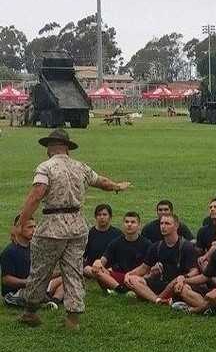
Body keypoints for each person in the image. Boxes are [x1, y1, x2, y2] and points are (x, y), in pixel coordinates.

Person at [14, 129, 131, 330]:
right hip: (77, 226)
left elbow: (37, 194)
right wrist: (117, 186)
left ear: (50, 147)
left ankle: (30, 311)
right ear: (67, 148)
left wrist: (21, 223)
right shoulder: (80, 167)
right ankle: (73, 319)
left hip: (52, 225)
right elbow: (101, 181)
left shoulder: (46, 167)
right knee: (74, 270)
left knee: (41, 269)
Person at [124, 214, 198, 304]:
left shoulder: (187, 246)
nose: (163, 226)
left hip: (180, 284)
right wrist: (129, 274)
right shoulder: (156, 246)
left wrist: (184, 278)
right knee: (134, 280)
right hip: (162, 283)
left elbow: (195, 271)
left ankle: (155, 297)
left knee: (181, 287)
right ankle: (158, 300)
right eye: (161, 223)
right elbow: (144, 268)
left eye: (167, 223)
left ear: (176, 226)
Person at [90, 211, 151, 294]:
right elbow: (103, 260)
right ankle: (120, 290)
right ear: (123, 225)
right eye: (126, 222)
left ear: (139, 225)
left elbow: (150, 267)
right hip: (119, 275)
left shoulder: (147, 244)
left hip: (137, 277)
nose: (129, 224)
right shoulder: (116, 242)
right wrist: (98, 262)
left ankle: (118, 289)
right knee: (97, 270)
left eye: (133, 222)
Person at [83, 204, 122, 278]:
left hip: (111, 268)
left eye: (104, 215)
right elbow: (82, 255)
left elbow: (122, 257)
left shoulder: (118, 234)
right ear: (95, 217)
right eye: (99, 215)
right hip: (92, 268)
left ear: (110, 217)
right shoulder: (89, 234)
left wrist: (111, 269)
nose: (102, 217)